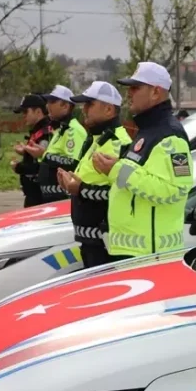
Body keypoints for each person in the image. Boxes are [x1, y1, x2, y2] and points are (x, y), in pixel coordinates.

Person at [93, 62, 192, 261]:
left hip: (152, 256)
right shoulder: (147, 130)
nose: (129, 93)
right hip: (133, 253)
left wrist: (117, 169)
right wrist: (116, 167)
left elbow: (175, 190)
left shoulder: (170, 136)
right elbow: (139, 176)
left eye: (135, 88)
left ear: (156, 92)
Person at [59, 81, 132, 268]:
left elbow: (123, 192)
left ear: (108, 109)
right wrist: (71, 184)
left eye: (89, 104)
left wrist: (80, 189)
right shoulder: (97, 139)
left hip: (105, 242)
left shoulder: (119, 143)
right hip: (90, 239)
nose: (84, 109)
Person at [35, 85, 89, 203]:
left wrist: (45, 155)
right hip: (51, 196)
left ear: (66, 106)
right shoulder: (61, 129)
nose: (47, 105)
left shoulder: (73, 130)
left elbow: (73, 162)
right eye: (48, 102)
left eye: (52, 102)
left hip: (62, 197)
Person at [10, 94, 53, 207]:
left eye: (26, 112)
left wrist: (19, 167)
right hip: (33, 192)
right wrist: (25, 152)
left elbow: (42, 165)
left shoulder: (45, 132)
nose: (23, 116)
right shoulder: (38, 131)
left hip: (39, 194)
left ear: (38, 112)